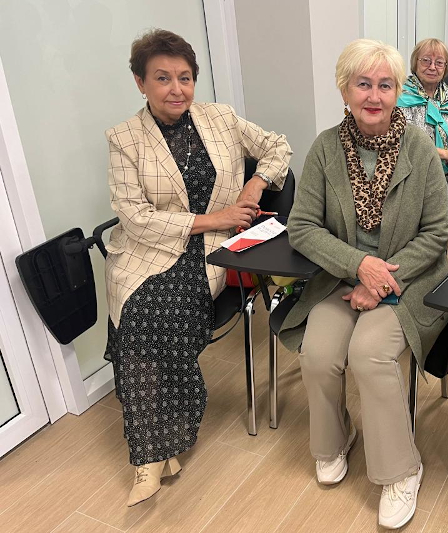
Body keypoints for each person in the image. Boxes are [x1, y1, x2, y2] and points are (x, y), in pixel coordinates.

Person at [104, 29, 291, 507]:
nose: (176, 89)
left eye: (184, 77)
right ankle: (155, 452)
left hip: (210, 251)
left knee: (159, 319)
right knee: (138, 317)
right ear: (140, 82)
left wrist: (254, 186)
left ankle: (153, 452)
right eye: (162, 78)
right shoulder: (124, 139)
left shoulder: (220, 118)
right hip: (146, 252)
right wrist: (217, 217)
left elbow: (278, 147)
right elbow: (135, 217)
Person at [278, 39, 448, 530]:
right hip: (342, 277)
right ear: (345, 90)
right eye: (363, 84)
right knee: (318, 352)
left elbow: (437, 233)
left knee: (370, 352)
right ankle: (336, 438)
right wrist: (359, 267)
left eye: (385, 85)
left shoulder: (419, 147)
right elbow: (302, 227)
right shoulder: (325, 148)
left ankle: (402, 469)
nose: (374, 95)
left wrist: (378, 280)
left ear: (398, 92)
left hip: (409, 279)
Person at [397, 38, 448, 184]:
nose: (432, 67)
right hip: (414, 172)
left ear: (445, 67)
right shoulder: (401, 95)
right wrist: (446, 154)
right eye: (426, 61)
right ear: (415, 63)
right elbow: (405, 140)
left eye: (439, 62)